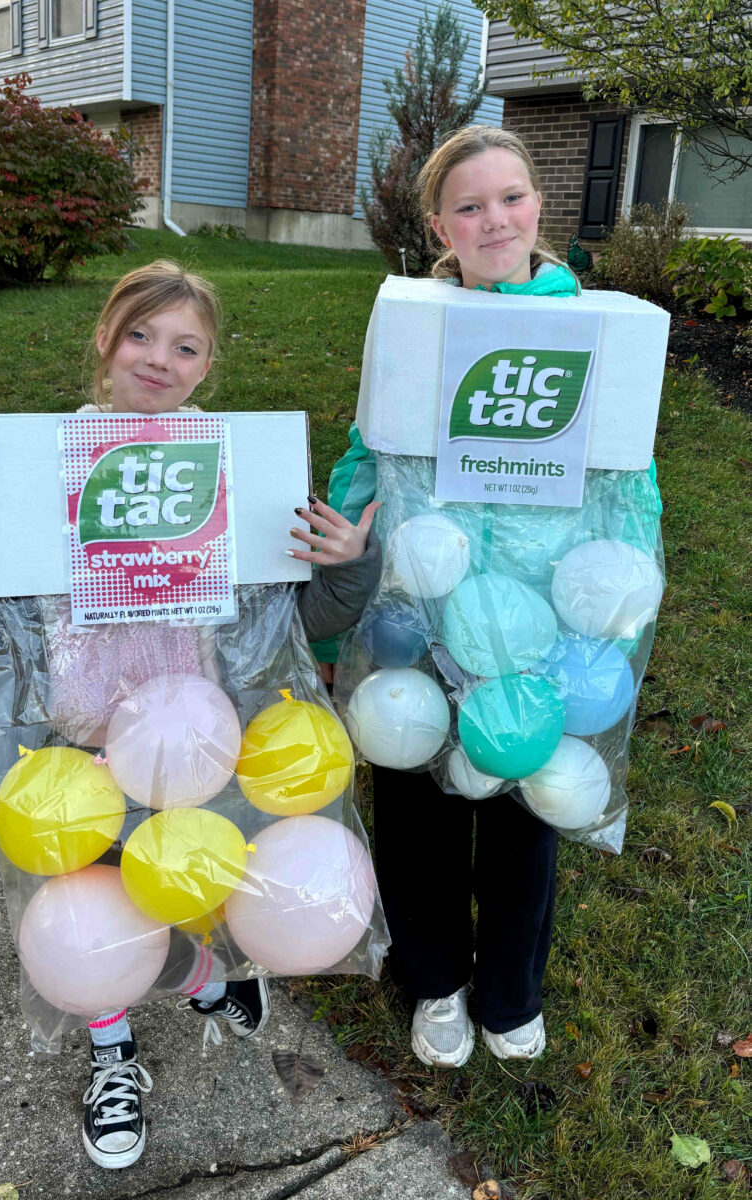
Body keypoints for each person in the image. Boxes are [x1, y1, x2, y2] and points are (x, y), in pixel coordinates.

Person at [0, 260, 381, 1170]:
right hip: (80, 753)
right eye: (141, 335)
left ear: (207, 366)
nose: (160, 358)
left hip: (205, 742)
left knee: (195, 878)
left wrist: (347, 566)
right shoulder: (43, 470)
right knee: (89, 914)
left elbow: (295, 625)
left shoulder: (239, 472)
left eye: (185, 346)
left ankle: (206, 972)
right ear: (105, 342)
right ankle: (123, 1042)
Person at [317, 125, 661, 1070]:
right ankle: (435, 983)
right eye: (469, 205)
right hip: (421, 603)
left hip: (545, 618)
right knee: (416, 801)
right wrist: (349, 549)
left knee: (525, 810)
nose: (494, 218)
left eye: (510, 197)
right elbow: (368, 447)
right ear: (440, 224)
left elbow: (630, 474)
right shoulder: (415, 323)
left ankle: (509, 992)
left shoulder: (595, 330)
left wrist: (630, 568)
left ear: (538, 205)